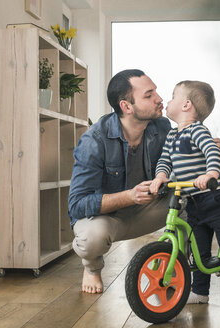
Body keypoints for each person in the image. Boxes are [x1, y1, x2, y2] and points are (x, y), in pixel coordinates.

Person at [149, 80, 220, 314]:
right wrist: (160, 177)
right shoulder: (172, 136)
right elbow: (165, 161)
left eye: (173, 96)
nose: (167, 100)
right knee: (198, 248)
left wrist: (211, 173)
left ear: (186, 105)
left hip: (215, 197)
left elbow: (211, 151)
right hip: (194, 200)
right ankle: (200, 292)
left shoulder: (197, 130)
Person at [68, 69, 171, 294]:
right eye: (149, 95)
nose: (159, 99)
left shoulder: (162, 128)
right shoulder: (94, 140)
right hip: (109, 219)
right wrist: (129, 196)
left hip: (148, 209)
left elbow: (180, 166)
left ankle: (172, 263)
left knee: (196, 199)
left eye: (156, 92)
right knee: (91, 238)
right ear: (126, 106)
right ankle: (92, 267)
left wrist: (208, 153)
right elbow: (76, 205)